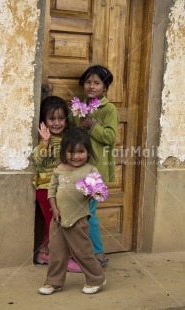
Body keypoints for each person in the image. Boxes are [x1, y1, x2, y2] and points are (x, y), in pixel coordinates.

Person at [38, 128, 106, 295]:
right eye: (71, 152)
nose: (76, 156)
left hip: (78, 219)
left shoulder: (91, 171)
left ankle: (96, 278)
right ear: (64, 152)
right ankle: (54, 282)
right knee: (57, 253)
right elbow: (51, 190)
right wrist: (54, 209)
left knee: (82, 251)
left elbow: (99, 194)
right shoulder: (59, 169)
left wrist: (90, 192)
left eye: (80, 152)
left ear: (88, 152)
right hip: (58, 219)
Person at [69, 65, 119, 267]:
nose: (91, 86)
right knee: (77, 212)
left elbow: (110, 137)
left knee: (89, 213)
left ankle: (98, 253)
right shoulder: (77, 108)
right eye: (88, 82)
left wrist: (92, 125)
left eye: (97, 83)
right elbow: (71, 134)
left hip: (95, 171)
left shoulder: (109, 110)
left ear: (105, 88)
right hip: (77, 167)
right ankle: (79, 252)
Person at [32, 95, 69, 265]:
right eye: (52, 118)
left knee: (56, 222)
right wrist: (44, 144)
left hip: (61, 189)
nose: (56, 123)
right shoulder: (45, 140)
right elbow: (38, 160)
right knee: (54, 224)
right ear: (44, 121)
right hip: (46, 189)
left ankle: (43, 253)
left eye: (61, 118)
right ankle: (58, 258)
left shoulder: (66, 139)